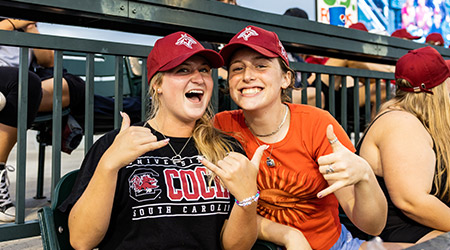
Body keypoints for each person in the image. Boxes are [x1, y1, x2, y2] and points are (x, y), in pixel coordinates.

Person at [60, 31, 263, 249]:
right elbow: (81, 241)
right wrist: (109, 166)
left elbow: (236, 247)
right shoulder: (117, 143)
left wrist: (247, 200)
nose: (198, 78)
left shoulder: (227, 148)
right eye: (183, 70)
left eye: (204, 70)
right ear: (157, 85)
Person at [215, 25, 410, 250]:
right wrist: (288, 235)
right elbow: (223, 217)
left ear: (286, 78)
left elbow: (371, 225)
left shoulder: (317, 124)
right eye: (237, 68)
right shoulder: (221, 126)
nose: (247, 76)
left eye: (261, 65)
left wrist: (364, 176)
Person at [358, 46, 450, 243]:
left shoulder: (415, 117)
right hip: (403, 233)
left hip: (422, 226)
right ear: (438, 89)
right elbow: (411, 202)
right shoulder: (401, 123)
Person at [0, 18, 85, 222]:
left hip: (18, 86)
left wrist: (30, 27)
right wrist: (15, 21)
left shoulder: (26, 22)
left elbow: (48, 61)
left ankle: (9, 98)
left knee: (69, 85)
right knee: (24, 83)